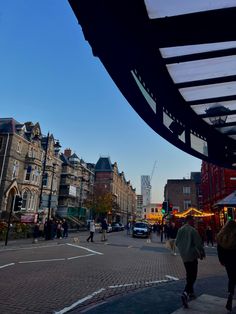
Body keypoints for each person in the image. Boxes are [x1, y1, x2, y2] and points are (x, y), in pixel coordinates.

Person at [175, 215, 205, 308]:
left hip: (184, 256)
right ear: (190, 220)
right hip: (192, 256)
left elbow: (176, 242)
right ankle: (185, 292)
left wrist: (182, 249)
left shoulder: (180, 230)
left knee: (189, 274)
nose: (193, 222)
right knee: (193, 275)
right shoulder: (193, 230)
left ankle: (191, 292)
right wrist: (202, 252)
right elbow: (198, 243)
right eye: (193, 220)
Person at [216, 220, 236, 312]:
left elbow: (219, 249)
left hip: (227, 261)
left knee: (231, 278)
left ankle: (230, 294)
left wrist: (221, 260)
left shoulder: (221, 236)